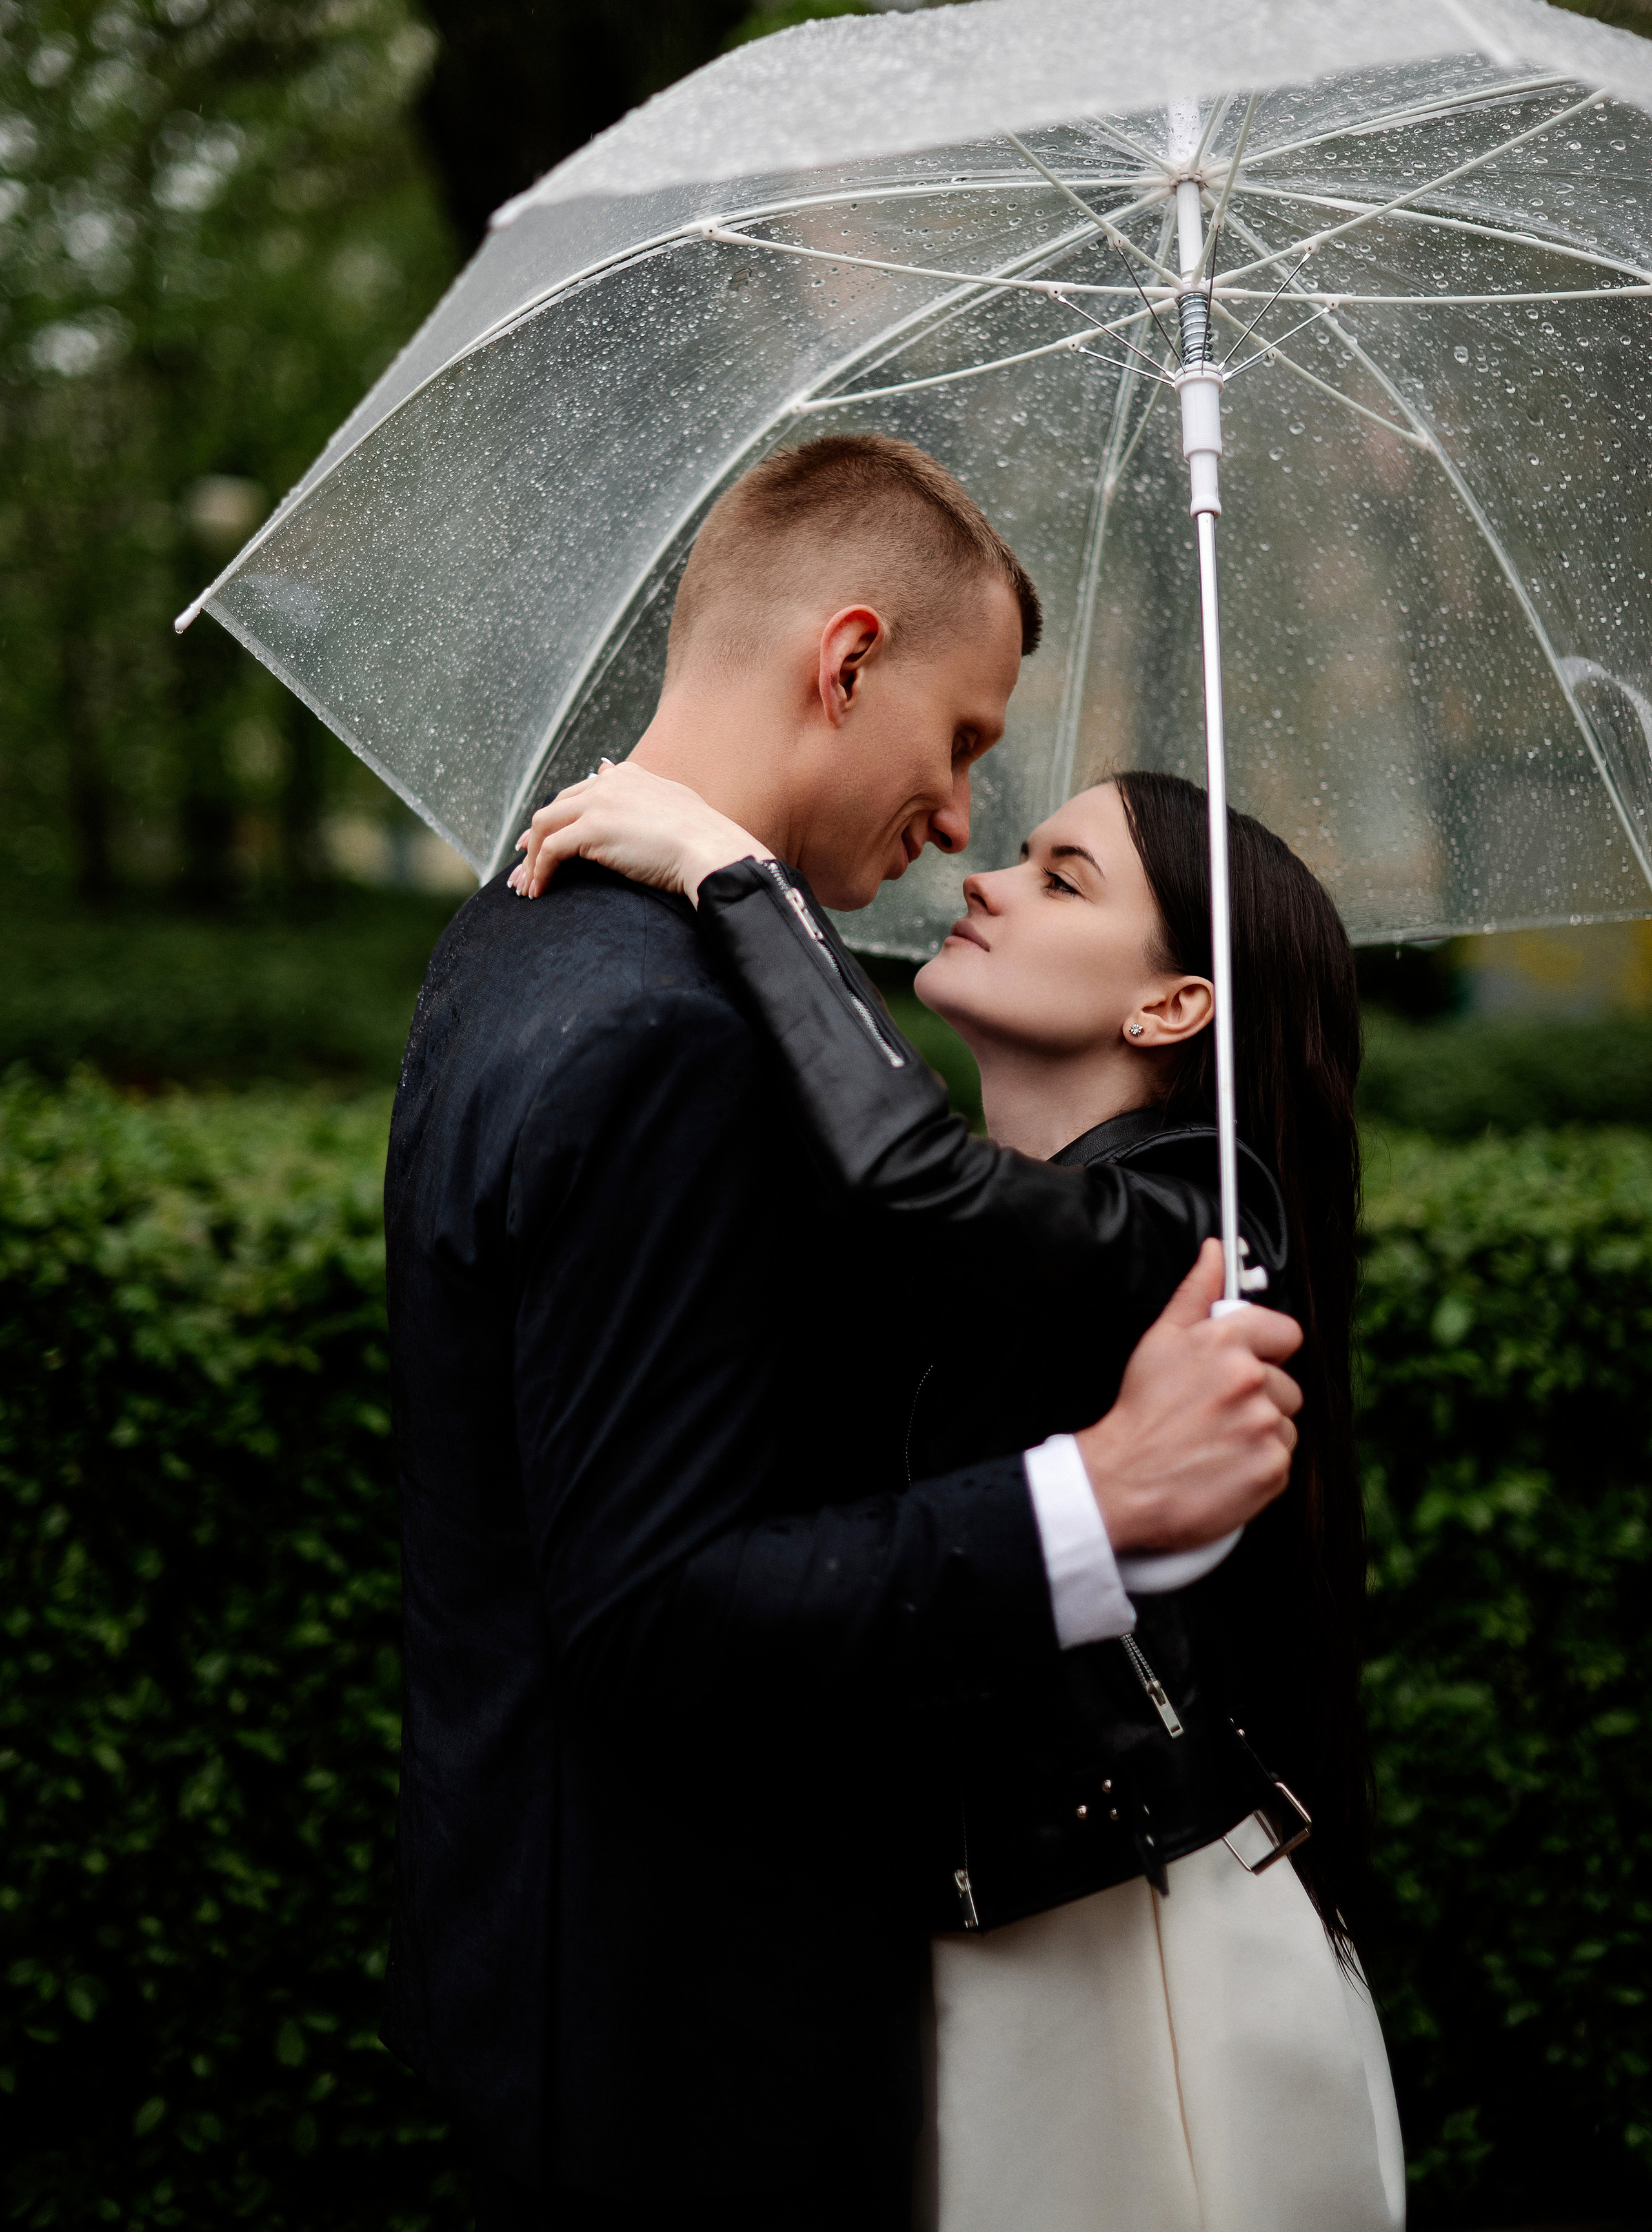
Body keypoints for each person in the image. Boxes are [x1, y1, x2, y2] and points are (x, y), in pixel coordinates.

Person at [383, 432, 1307, 2229]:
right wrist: (1089, 1504)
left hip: (573, 1961)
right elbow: (649, 1611)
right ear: (849, 656)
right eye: (964, 744)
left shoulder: (514, 943)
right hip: (693, 2020)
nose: (964, 825)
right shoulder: (672, 1035)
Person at [511, 753, 1406, 2231]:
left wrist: (736, 875)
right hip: (922, 1938)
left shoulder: (1214, 1219)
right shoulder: (966, 1224)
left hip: (1116, 1944)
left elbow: (916, 1183)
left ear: (1172, 1006)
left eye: (1062, 877)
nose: (981, 874)